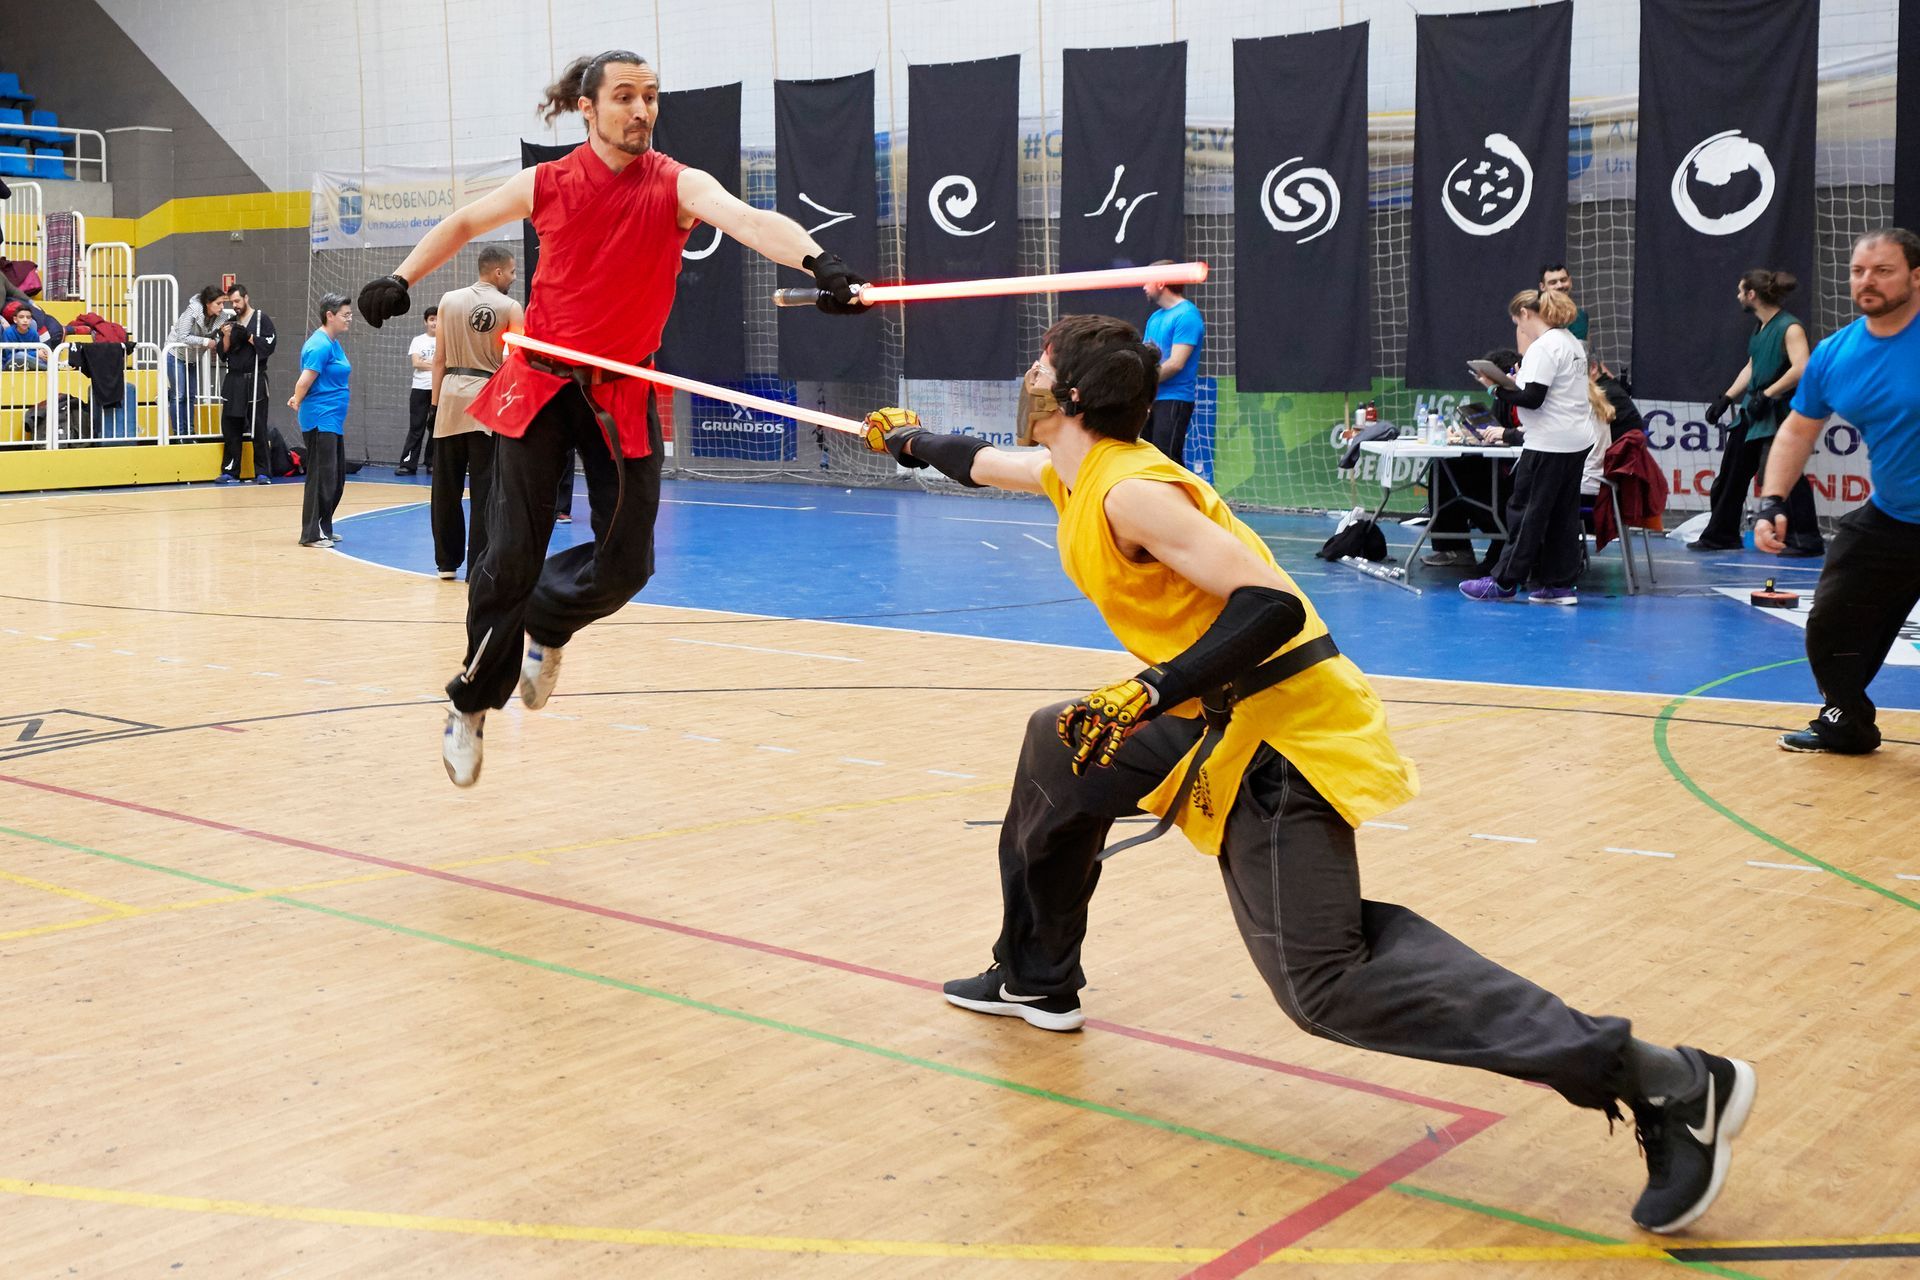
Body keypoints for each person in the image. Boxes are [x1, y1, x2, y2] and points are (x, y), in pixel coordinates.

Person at [863, 312, 1755, 1236]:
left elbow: (1272, 606)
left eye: (1038, 365)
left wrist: (1147, 691)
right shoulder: (1072, 468)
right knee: (1058, 745)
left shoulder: (1132, 492)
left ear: (1068, 399)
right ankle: (1036, 972)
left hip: (1284, 735)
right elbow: (981, 461)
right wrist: (909, 442)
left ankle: (1667, 1081)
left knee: (1326, 983)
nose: (1027, 374)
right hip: (1215, 712)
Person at [353, 49, 870, 786]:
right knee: (508, 558)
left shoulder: (676, 184)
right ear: (588, 109)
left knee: (629, 564)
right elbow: (468, 219)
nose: (641, 110)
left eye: (651, 97)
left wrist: (822, 263)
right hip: (539, 384)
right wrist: (400, 277)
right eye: (624, 96)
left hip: (621, 391)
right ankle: (471, 703)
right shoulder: (551, 181)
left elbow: (752, 221)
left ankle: (549, 623)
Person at [1756, 228, 1920, 755]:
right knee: (1832, 622)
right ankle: (1846, 721)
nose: (1867, 281)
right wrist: (1772, 501)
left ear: (1916, 276)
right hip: (1893, 517)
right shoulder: (1836, 354)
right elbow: (1799, 429)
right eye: (1858, 271)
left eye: (1883, 270)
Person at [1460, 290, 1606, 606]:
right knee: (1561, 515)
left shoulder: (1545, 347)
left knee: (1526, 511)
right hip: (1575, 441)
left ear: (1526, 314)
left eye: (1518, 323)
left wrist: (1496, 389)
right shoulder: (1572, 344)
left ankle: (1504, 581)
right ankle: (1558, 584)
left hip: (1548, 443)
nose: (1521, 330)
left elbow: (1532, 398)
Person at [1691, 271, 1823, 557]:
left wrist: (1768, 393)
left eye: (1741, 291)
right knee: (1731, 474)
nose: (1738, 296)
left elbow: (1802, 367)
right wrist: (1727, 397)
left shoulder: (1790, 327)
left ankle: (1807, 539)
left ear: (1752, 294)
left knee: (1786, 476)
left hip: (1776, 412)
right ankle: (1721, 534)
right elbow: (1752, 366)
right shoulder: (1761, 328)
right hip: (1753, 411)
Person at [430, 246, 522, 580]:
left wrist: (434, 405)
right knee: (486, 488)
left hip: (451, 398)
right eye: (511, 272)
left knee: (445, 488)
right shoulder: (510, 306)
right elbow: (518, 361)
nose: (513, 278)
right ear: (497, 272)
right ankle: (478, 566)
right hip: (488, 401)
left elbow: (439, 359)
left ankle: (445, 563)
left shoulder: (448, 300)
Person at [1422, 346, 1521, 570]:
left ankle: (1499, 546)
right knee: (1446, 464)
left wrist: (1503, 435)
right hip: (1504, 464)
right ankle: (1454, 547)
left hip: (1517, 473)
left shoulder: (1525, 397)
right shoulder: (1502, 398)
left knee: (1459, 473)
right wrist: (1472, 435)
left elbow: (1524, 433)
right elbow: (1500, 430)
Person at [288, 293, 353, 548]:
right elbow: (305, 380)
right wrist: (296, 398)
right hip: (320, 419)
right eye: (345, 315)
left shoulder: (333, 342)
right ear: (330, 315)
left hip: (333, 420)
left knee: (335, 478)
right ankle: (311, 534)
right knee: (320, 477)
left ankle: (324, 526)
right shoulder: (320, 345)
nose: (349, 319)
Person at [1140, 261, 1204, 465]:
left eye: (1146, 281)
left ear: (1160, 283)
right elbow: (1146, 359)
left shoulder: (1187, 315)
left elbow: (1176, 363)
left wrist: (1145, 382)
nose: (1143, 286)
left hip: (1174, 399)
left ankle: (1183, 498)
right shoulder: (1155, 318)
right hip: (1152, 399)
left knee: (1168, 461)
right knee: (1147, 460)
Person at [216, 283, 277, 484]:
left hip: (255, 378)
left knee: (258, 425)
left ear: (246, 298)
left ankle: (263, 472)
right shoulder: (230, 322)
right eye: (231, 302)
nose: (235, 305)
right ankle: (231, 470)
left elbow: (269, 345)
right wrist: (226, 336)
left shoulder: (261, 319)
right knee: (231, 426)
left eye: (237, 301)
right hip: (234, 379)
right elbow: (222, 353)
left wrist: (249, 337)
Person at [167, 285, 226, 438]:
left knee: (190, 395)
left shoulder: (221, 317)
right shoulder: (192, 311)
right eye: (218, 303)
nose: (222, 307)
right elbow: (182, 336)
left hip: (193, 358)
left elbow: (218, 336)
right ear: (208, 303)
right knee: (179, 395)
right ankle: (179, 434)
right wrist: (206, 342)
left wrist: (219, 339)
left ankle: (189, 433)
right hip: (176, 355)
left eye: (222, 303)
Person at [397, 306, 439, 475]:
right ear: (425, 322)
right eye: (431, 319)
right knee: (416, 427)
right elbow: (416, 363)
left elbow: (447, 363)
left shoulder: (446, 340)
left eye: (438, 319)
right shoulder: (418, 340)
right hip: (420, 388)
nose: (435, 322)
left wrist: (427, 363)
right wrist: (435, 364)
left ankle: (432, 463)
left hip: (438, 389)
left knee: (435, 428)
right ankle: (408, 464)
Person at [1540, 263, 1590, 345]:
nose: (1559, 285)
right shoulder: (1534, 316)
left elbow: (1589, 351)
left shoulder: (1582, 316)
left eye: (1563, 280)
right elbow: (1525, 356)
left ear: (1570, 281)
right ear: (1542, 287)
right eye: (1553, 282)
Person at [0, 303, 51, 368]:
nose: (25, 320)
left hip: (29, 361)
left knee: (44, 356)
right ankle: (49, 367)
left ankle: (50, 365)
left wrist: (42, 354)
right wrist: (36, 354)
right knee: (20, 355)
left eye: (28, 317)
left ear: (31, 320)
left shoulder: (34, 333)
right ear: (15, 320)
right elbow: (9, 356)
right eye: (21, 317)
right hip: (11, 363)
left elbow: (36, 351)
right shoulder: (9, 333)